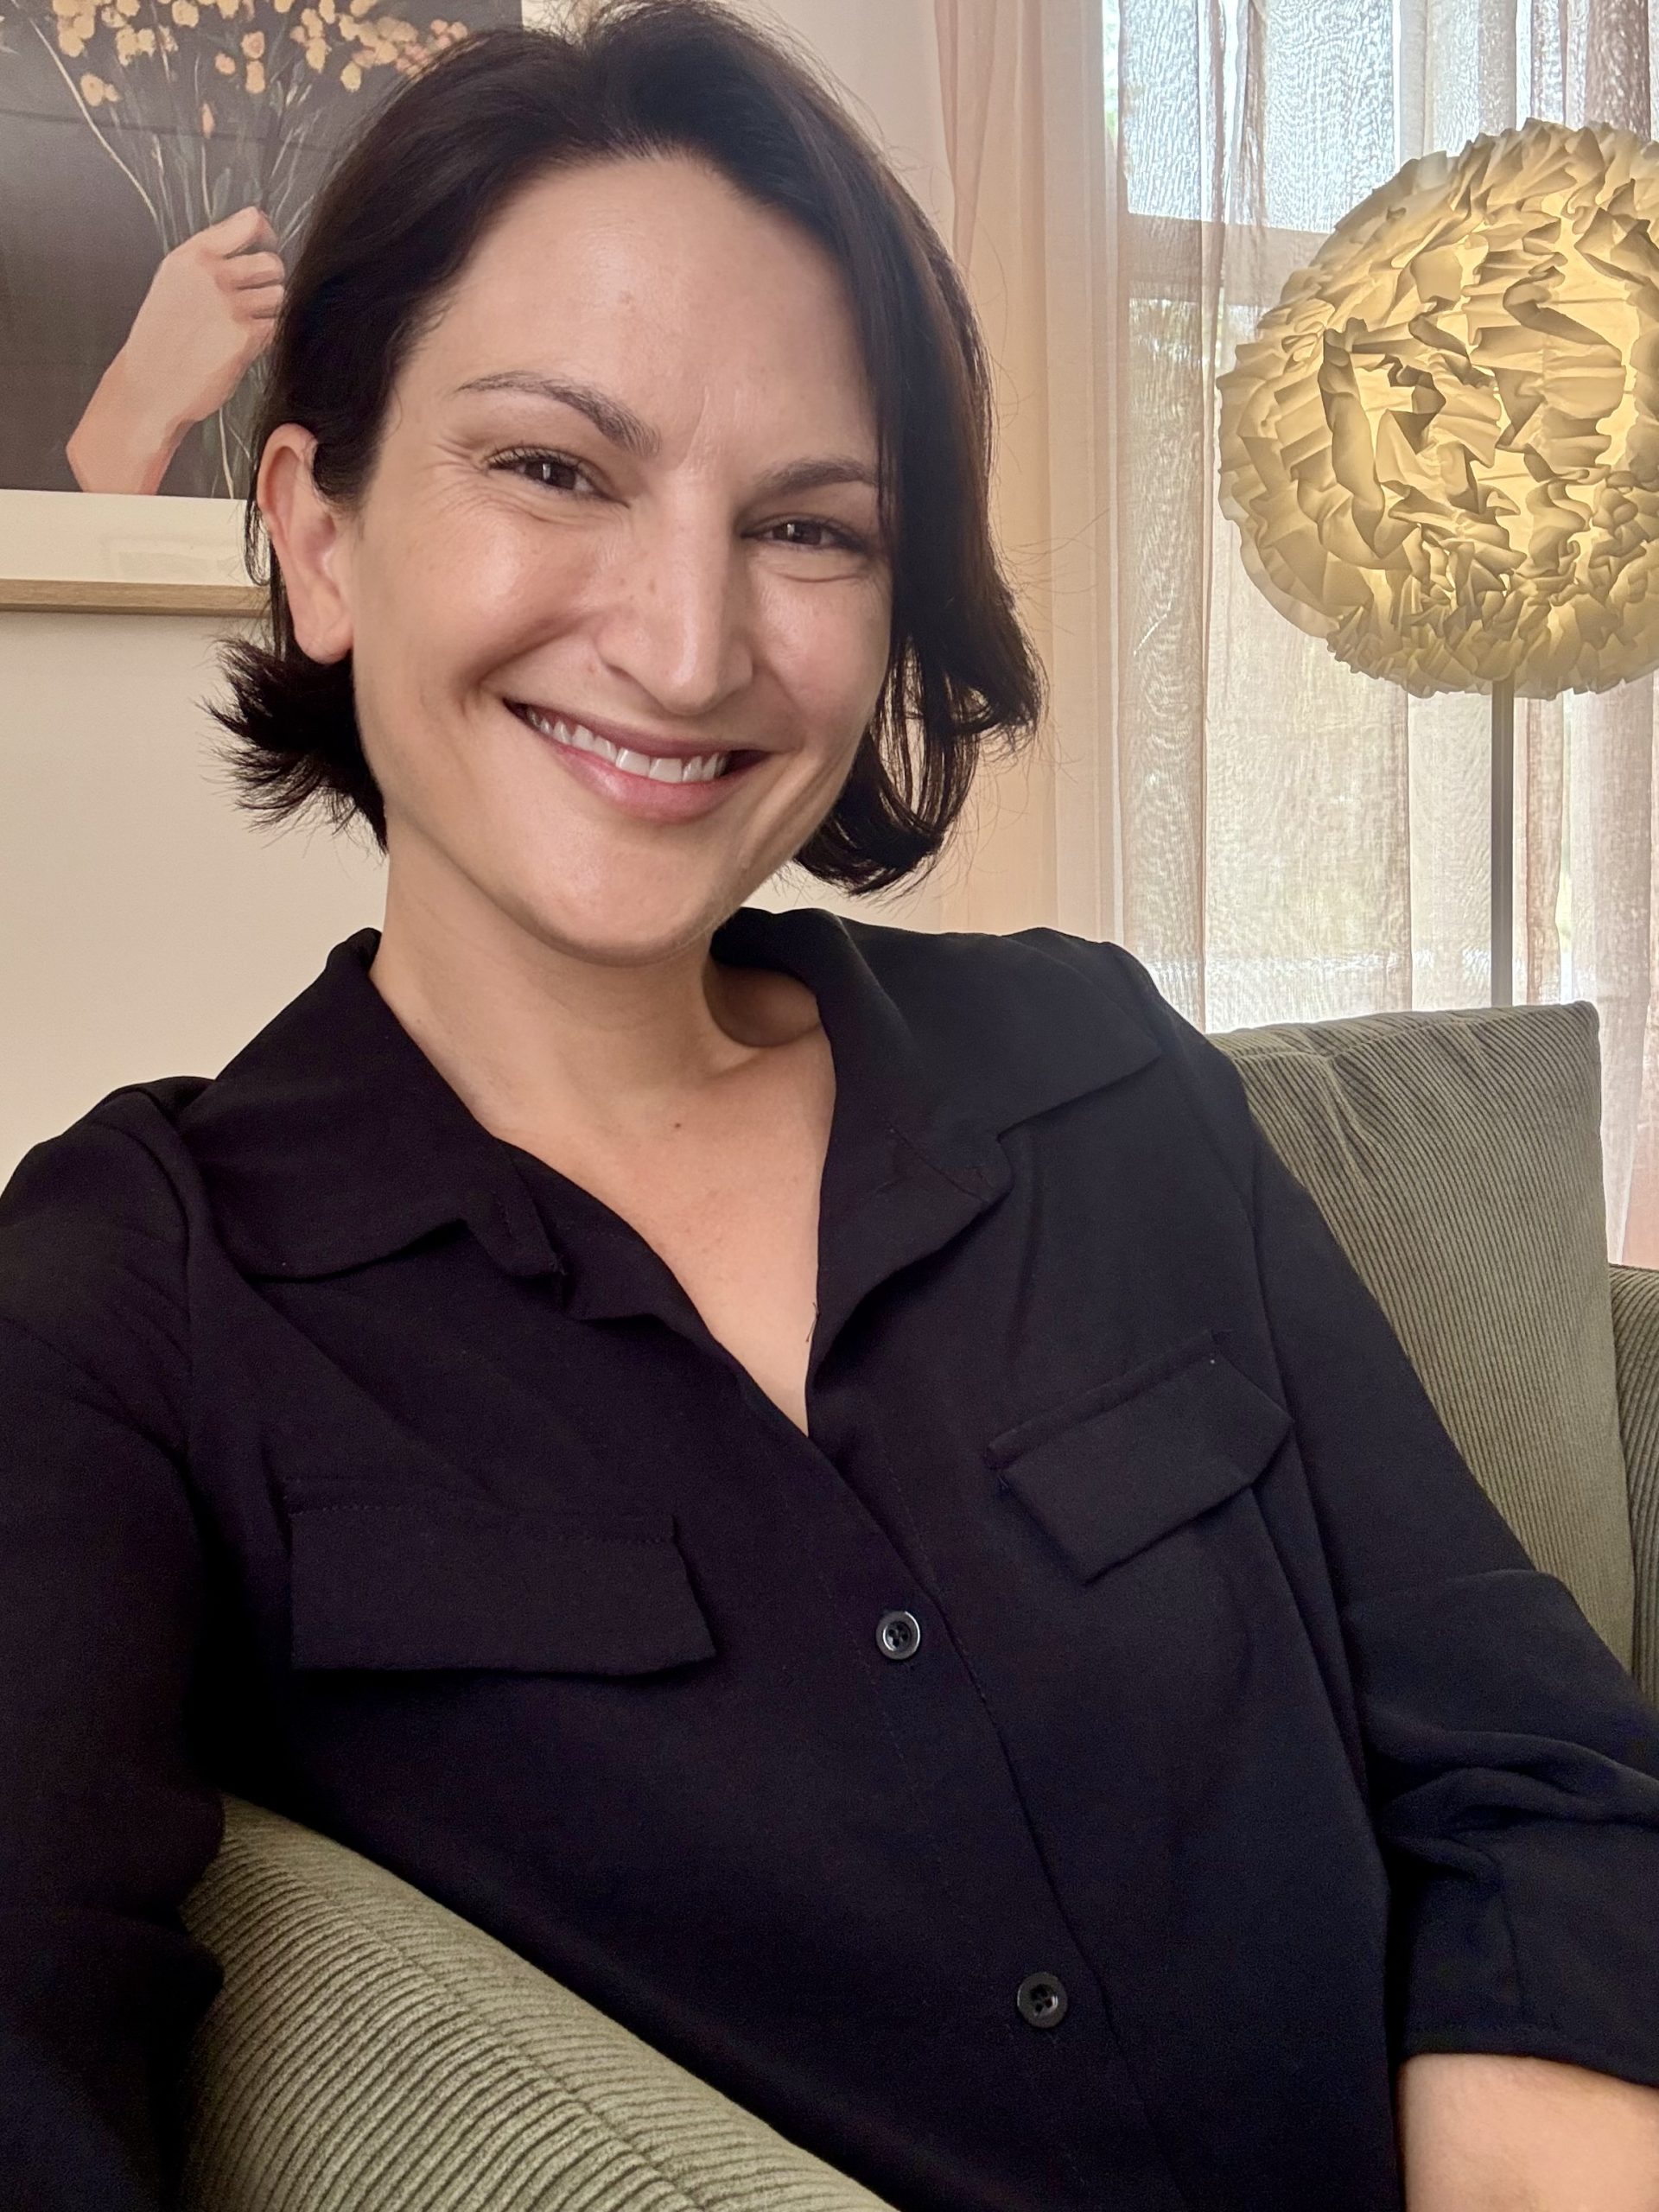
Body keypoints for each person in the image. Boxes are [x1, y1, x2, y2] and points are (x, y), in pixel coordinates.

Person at [3, 3, 1658, 2208]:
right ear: (319, 530)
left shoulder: (1097, 1071)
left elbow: (1531, 1761)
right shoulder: (130, 1294)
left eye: (808, 524)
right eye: (554, 468)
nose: (688, 645)